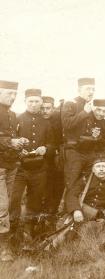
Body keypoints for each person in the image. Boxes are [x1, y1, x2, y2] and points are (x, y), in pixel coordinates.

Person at [9, 89, 53, 245]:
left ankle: (29, 233)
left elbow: (52, 143)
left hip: (39, 169)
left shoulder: (47, 122)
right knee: (14, 200)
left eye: (37, 101)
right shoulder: (17, 119)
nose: (34, 104)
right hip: (20, 169)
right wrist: (19, 148)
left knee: (34, 201)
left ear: (41, 102)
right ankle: (11, 235)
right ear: (25, 102)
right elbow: (10, 140)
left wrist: (45, 148)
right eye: (31, 101)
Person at [47, 154, 105, 250]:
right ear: (93, 169)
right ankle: (50, 248)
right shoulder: (84, 181)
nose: (101, 169)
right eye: (98, 166)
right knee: (66, 230)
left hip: (95, 220)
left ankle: (70, 250)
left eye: (104, 166)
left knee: (86, 231)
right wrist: (76, 210)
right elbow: (71, 195)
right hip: (79, 213)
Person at [62, 98, 105, 193]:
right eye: (98, 110)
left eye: (104, 111)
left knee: (89, 181)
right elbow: (69, 125)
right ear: (93, 109)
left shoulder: (103, 120)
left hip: (90, 154)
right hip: (76, 153)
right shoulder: (84, 116)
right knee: (72, 181)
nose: (101, 113)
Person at [0, 80, 28, 261]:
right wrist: (11, 142)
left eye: (14, 94)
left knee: (8, 205)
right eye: (9, 93)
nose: (13, 97)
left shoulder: (11, 114)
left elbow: (11, 137)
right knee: (2, 207)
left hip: (10, 165)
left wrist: (19, 145)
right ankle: (4, 248)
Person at [62, 77, 96, 190]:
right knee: (71, 183)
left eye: (93, 89)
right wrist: (84, 112)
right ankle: (68, 207)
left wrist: (94, 132)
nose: (91, 92)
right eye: (88, 89)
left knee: (87, 183)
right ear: (79, 90)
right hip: (74, 151)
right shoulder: (70, 103)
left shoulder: (91, 106)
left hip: (88, 150)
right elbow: (67, 124)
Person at [41, 96, 65, 216]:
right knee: (45, 186)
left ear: (53, 108)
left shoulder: (59, 120)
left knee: (59, 184)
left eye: (48, 108)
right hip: (42, 159)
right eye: (42, 108)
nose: (45, 111)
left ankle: (53, 211)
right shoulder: (38, 120)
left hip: (57, 158)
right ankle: (44, 211)